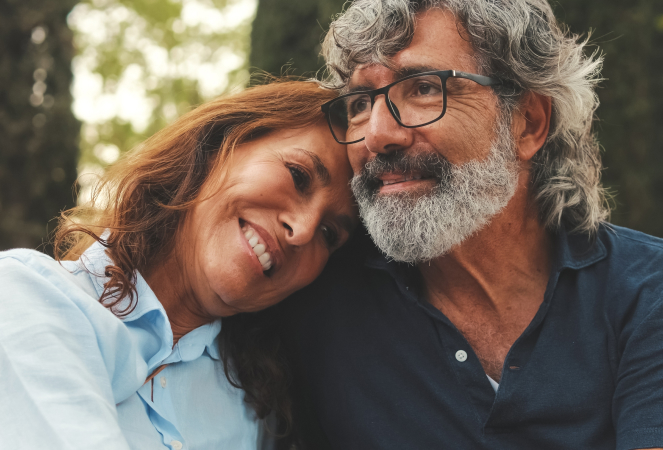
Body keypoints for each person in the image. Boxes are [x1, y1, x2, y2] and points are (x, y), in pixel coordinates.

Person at [276, 1, 663, 449]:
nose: (376, 135)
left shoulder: (647, 294)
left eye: (422, 88)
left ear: (528, 123)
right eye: (360, 103)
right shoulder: (315, 297)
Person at [0, 80, 358, 450]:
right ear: (221, 144)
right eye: (298, 175)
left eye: (330, 235)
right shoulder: (24, 294)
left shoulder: (264, 415)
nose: (302, 230)